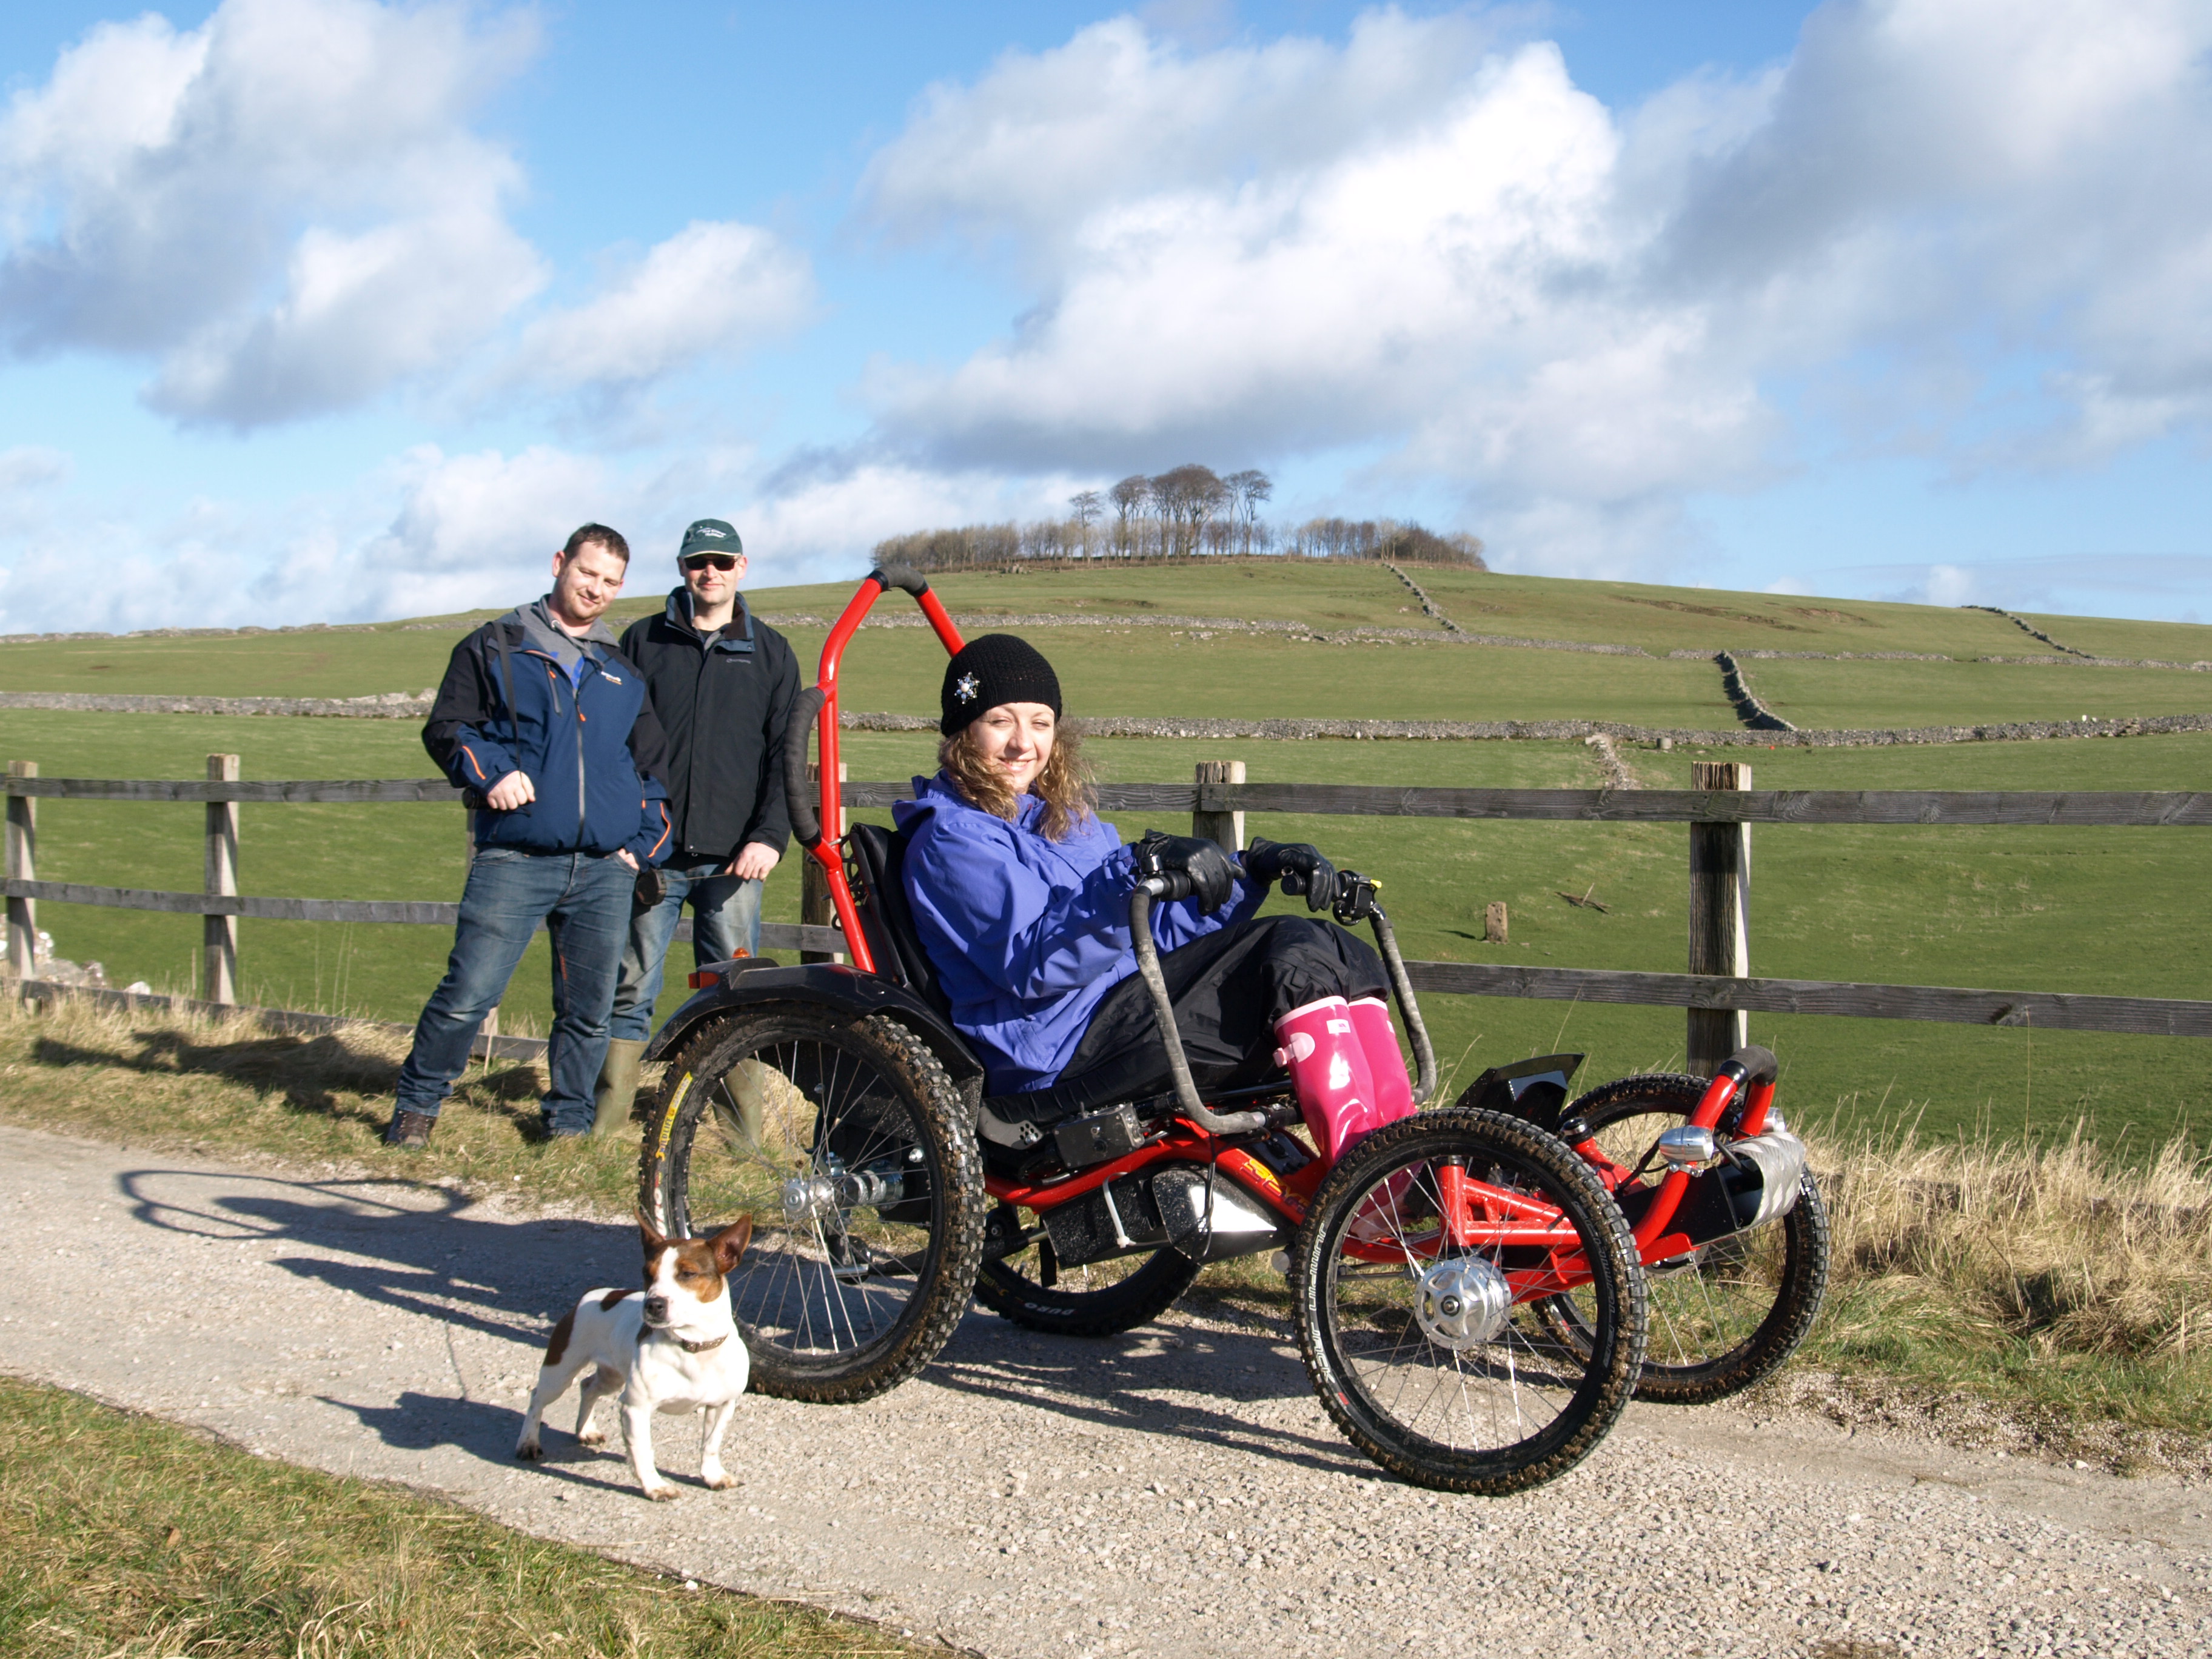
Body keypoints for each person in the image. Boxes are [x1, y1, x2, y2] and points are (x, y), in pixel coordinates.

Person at [892, 634, 1415, 1156]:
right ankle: (1363, 1176)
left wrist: (1249, 873)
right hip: (1056, 1048)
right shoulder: (952, 841)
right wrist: (1131, 872)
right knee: (1291, 951)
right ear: (963, 732)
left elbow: (1150, 931)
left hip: (1119, 1009)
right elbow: (1033, 965)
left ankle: (1398, 1153)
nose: (1023, 743)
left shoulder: (1064, 820)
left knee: (1333, 946)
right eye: (1000, 721)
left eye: (1040, 722)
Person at [384, 524, 673, 1147]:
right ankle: (418, 1104)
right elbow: (449, 728)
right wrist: (492, 773)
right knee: (470, 992)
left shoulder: (620, 669)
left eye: (610, 582)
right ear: (559, 564)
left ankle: (568, 1121)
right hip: (516, 856)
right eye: (587, 572)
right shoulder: (495, 645)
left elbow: (653, 770)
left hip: (603, 868)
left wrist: (639, 848)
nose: (596, 589)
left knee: (588, 1011)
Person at [594, 518, 801, 1134]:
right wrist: (624, 837)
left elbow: (785, 756)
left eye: (720, 561)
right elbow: (613, 746)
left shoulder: (771, 652)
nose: (708, 573)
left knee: (735, 993)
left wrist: (769, 836)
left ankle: (741, 1138)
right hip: (650, 856)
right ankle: (605, 1124)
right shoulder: (641, 642)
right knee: (629, 983)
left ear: (742, 567)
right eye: (696, 562)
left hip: (736, 860)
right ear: (682, 569)